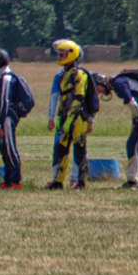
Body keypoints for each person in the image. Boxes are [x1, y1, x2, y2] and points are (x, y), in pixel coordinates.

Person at [47, 39, 97, 190]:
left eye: (61, 55)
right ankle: (58, 181)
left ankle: (80, 182)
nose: (59, 57)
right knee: (62, 150)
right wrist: (59, 118)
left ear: (71, 55)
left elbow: (79, 97)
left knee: (80, 150)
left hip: (78, 118)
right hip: (65, 119)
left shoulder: (80, 74)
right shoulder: (63, 75)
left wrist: (70, 119)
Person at [101, 70, 138, 189]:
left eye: (98, 88)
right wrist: (136, 120)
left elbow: (131, 103)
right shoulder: (118, 82)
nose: (99, 92)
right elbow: (136, 102)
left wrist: (137, 118)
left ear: (101, 82)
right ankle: (131, 179)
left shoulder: (118, 83)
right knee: (131, 143)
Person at [0, 47, 33, 189]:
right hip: (3, 118)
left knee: (10, 148)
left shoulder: (6, 78)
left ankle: (15, 180)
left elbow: (5, 102)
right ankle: (7, 179)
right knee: (3, 149)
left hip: (7, 118)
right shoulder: (2, 77)